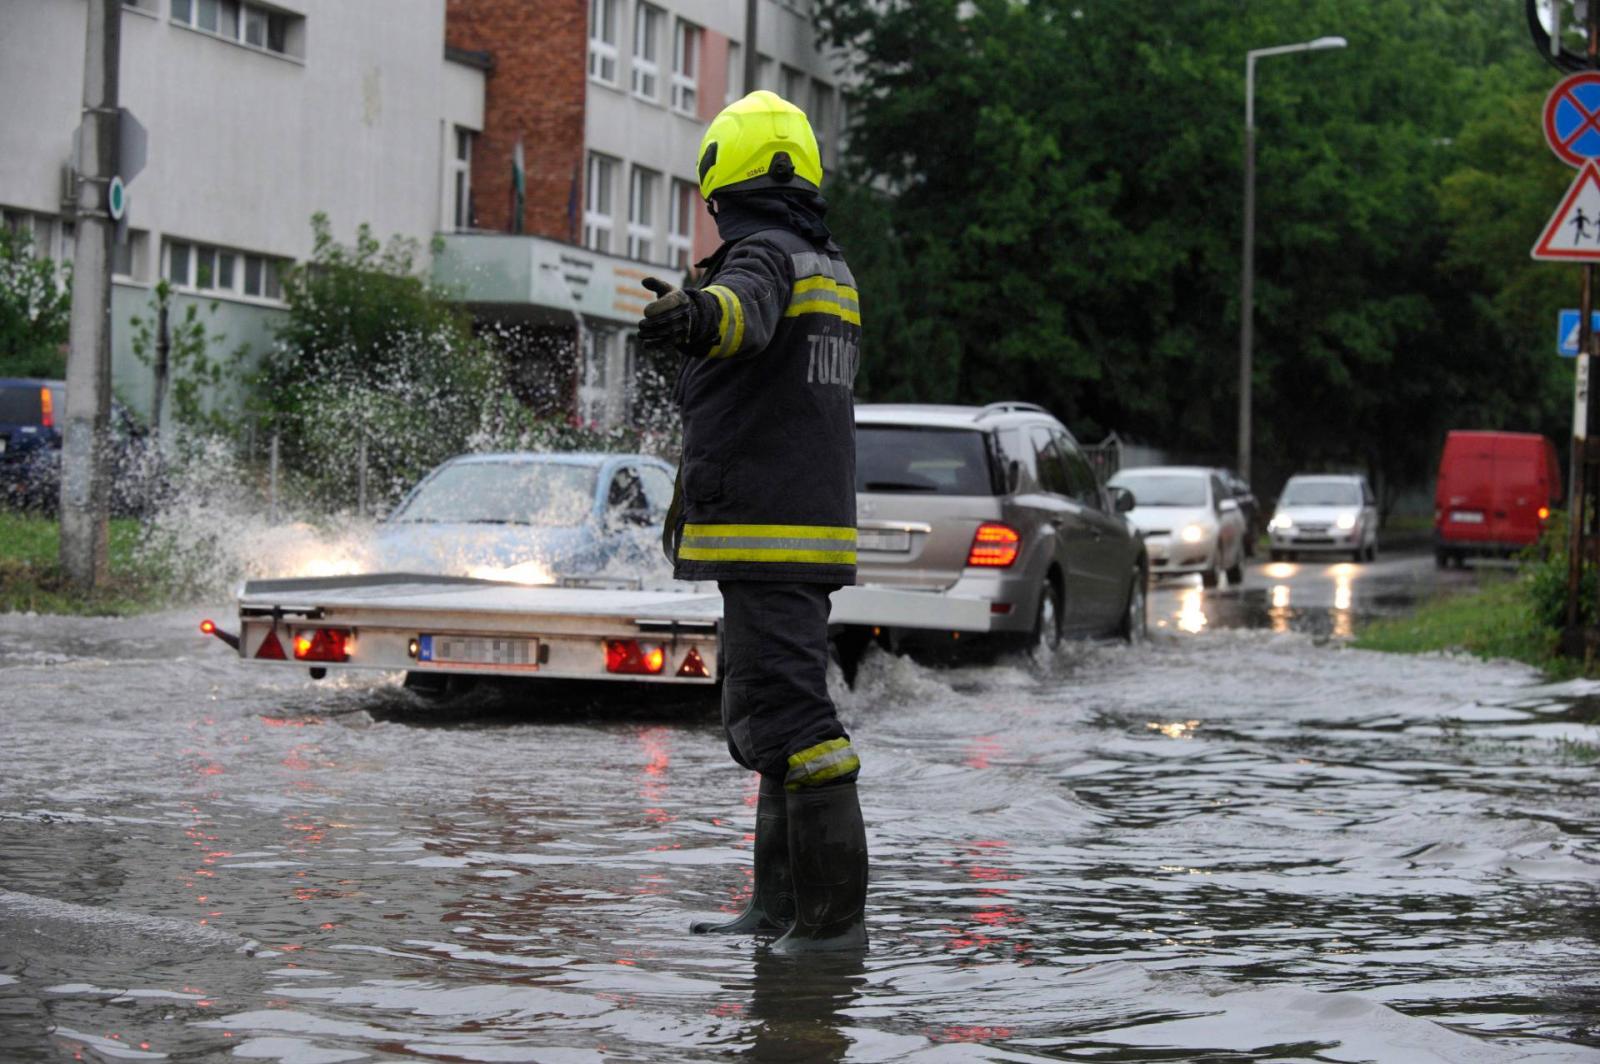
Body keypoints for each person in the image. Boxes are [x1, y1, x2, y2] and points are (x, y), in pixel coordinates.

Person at [636, 90, 866, 952]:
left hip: (768, 534)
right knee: (769, 720)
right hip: (792, 533)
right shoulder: (825, 265)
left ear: (720, 181)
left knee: (799, 728)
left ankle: (830, 931)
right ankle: (778, 912)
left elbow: (740, 314)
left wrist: (694, 314)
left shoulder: (764, 257)